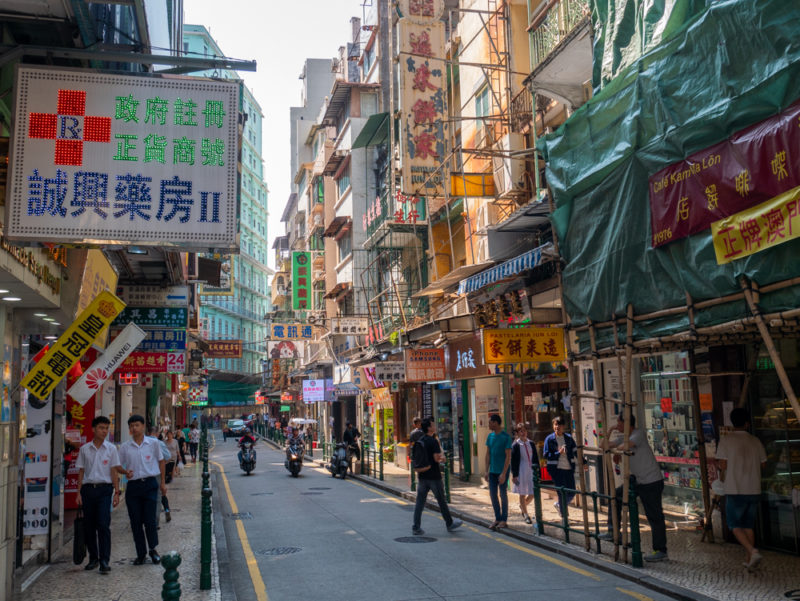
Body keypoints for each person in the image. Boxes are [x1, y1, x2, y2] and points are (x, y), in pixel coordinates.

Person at [606, 413, 668, 562]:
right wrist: (609, 431)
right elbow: (604, 445)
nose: (618, 427)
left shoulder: (638, 434)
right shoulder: (623, 436)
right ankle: (613, 531)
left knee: (654, 516)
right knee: (616, 496)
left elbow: (625, 446)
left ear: (627, 424)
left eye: (619, 423)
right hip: (638, 480)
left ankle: (661, 550)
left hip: (651, 481)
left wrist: (618, 451)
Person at [716, 408, 767, 571]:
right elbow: (763, 464)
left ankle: (752, 551)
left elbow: (722, 464)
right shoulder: (755, 440)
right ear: (747, 423)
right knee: (748, 525)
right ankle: (749, 559)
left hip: (735, 488)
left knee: (734, 525)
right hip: (754, 488)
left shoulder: (726, 440)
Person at [75, 416, 121, 574]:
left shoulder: (111, 449)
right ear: (93, 429)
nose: (104, 431)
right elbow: (81, 471)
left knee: (103, 524)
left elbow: (114, 470)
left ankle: (104, 560)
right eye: (101, 428)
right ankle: (93, 558)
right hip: (88, 490)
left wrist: (117, 492)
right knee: (89, 526)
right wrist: (78, 493)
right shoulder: (84, 449)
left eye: (107, 428)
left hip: (104, 490)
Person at [119, 415, 166, 565]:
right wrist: (125, 472)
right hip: (133, 487)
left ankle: (153, 549)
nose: (134, 428)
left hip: (150, 484)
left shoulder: (153, 443)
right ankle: (141, 553)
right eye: (132, 426)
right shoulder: (125, 447)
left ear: (143, 426)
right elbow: (118, 466)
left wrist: (163, 483)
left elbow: (161, 461)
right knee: (135, 522)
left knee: (150, 520)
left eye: (137, 425)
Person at [411, 418, 462, 535]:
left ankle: (416, 527)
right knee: (441, 501)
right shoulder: (433, 441)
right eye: (433, 425)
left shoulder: (421, 440)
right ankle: (449, 523)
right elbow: (436, 458)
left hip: (422, 475)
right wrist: (443, 458)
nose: (435, 426)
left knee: (420, 502)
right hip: (434, 476)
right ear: (429, 428)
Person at [543, 416, 578, 516]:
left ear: (563, 426)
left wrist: (583, 461)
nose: (557, 427)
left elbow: (575, 451)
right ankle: (564, 518)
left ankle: (560, 505)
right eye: (555, 425)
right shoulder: (549, 439)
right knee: (561, 493)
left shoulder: (568, 438)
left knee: (571, 492)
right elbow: (546, 455)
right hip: (556, 469)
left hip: (569, 468)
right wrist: (558, 453)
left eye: (559, 425)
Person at [484, 414, 512, 530]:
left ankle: (504, 519)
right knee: (492, 494)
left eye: (490, 422)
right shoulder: (490, 437)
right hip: (492, 471)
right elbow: (488, 454)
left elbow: (508, 456)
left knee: (503, 494)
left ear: (495, 423)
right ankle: (497, 517)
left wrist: (504, 473)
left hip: (502, 471)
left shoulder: (506, 437)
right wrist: (486, 471)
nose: (489, 424)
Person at [511, 423, 538, 525]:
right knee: (522, 493)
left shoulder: (531, 443)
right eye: (521, 431)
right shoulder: (516, 445)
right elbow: (513, 461)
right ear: (517, 433)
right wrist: (514, 474)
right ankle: (526, 515)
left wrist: (537, 470)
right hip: (521, 470)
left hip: (531, 470)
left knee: (532, 493)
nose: (523, 433)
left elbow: (535, 458)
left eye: (525, 431)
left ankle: (523, 506)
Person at [149, 426, 173, 523]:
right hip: (157, 473)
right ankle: (162, 513)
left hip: (144, 475)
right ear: (158, 434)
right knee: (160, 494)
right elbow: (168, 456)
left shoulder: (142, 443)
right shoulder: (159, 443)